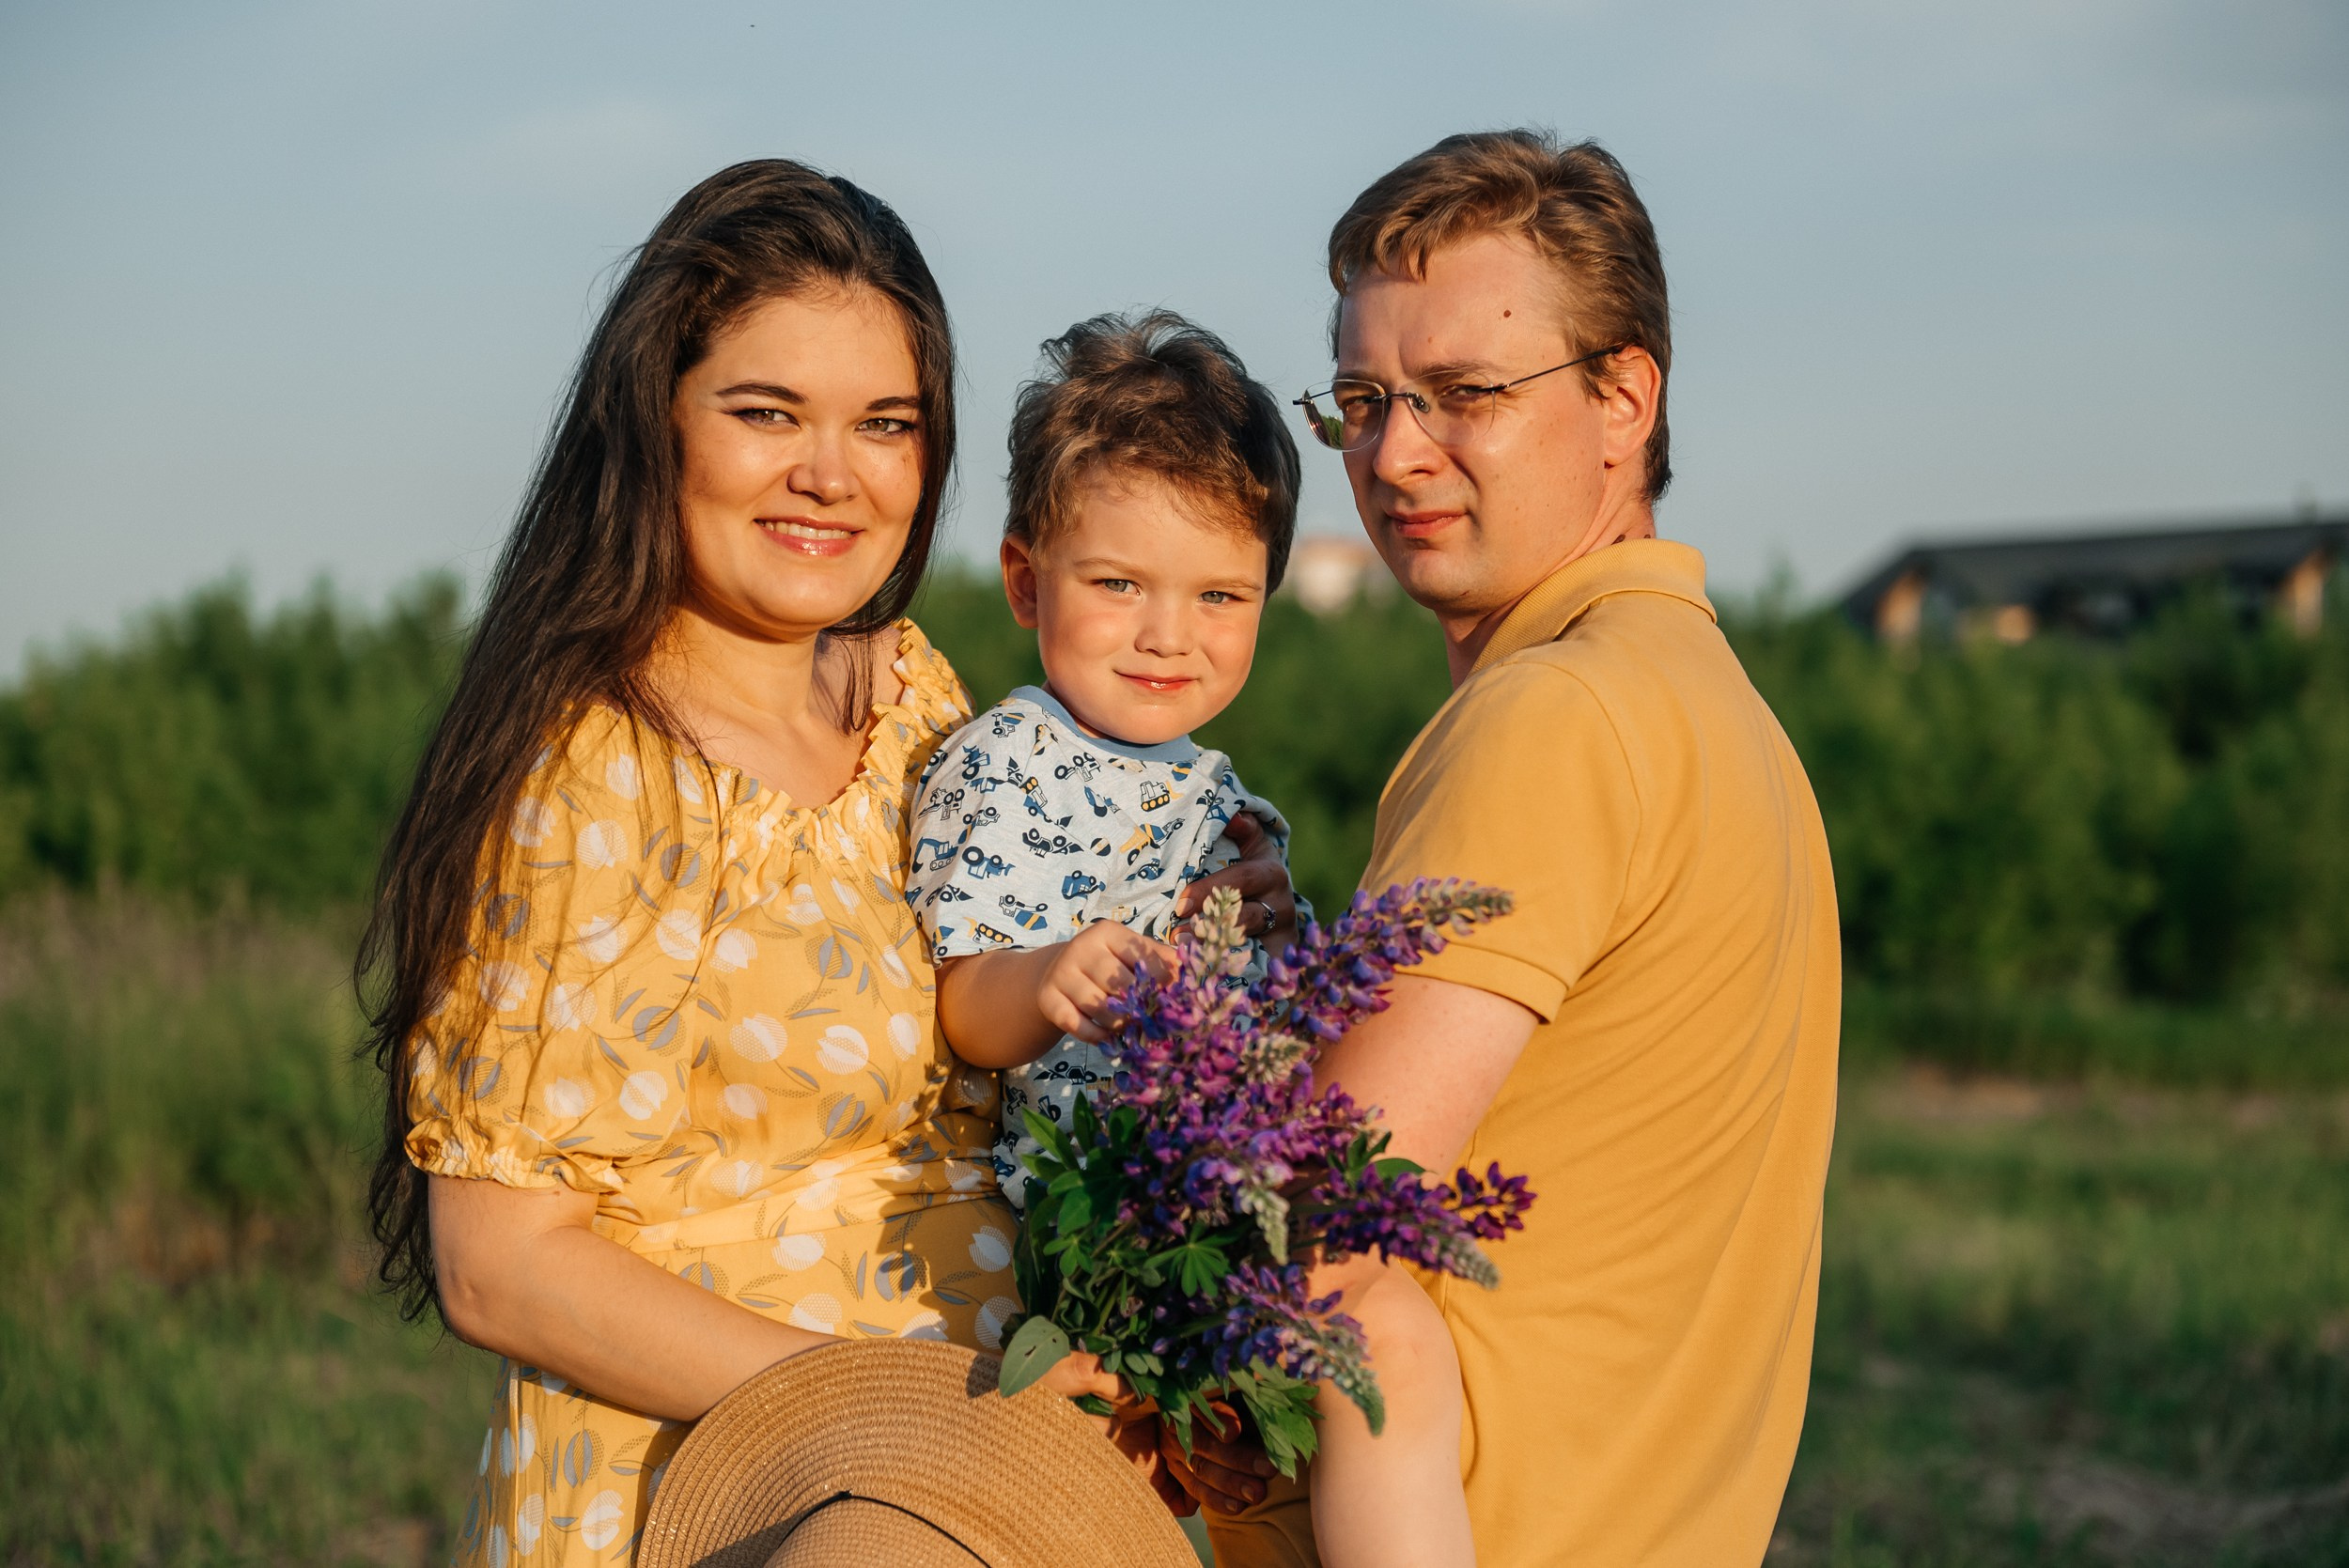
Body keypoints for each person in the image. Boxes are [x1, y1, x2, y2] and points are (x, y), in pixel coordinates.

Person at [357, 161, 1283, 1567]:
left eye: (886, 423)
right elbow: (503, 1266)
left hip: (989, 1463)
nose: (830, 475)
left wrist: (1202, 918)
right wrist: (891, 1401)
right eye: (765, 412)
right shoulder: (589, 770)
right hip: (729, 1484)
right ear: (656, 422)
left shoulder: (913, 697)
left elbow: (1028, 969)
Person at [1212, 131, 1843, 1568]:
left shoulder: (1552, 717)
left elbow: (1323, 1213)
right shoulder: (1719, 712)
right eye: (1363, 400)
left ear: (1624, 396)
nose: (1396, 450)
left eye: (1467, 393)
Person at [907, 310, 1481, 1568]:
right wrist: (1043, 980)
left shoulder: (1223, 798)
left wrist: (1289, 945)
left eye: (1220, 594)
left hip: (1211, 1202)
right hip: (1081, 1215)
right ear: (1025, 580)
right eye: (1119, 584)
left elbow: (1283, 1023)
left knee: (1387, 1351)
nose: (1169, 633)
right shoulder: (1005, 762)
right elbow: (957, 1004)